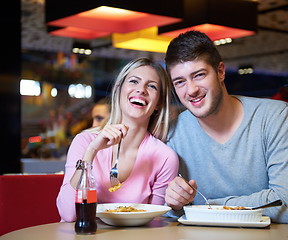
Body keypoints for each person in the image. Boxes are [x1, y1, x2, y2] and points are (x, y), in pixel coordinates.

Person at [164, 31, 288, 223]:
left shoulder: (274, 117)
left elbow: (285, 203)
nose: (191, 90)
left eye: (199, 75)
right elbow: (170, 213)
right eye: (180, 82)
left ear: (221, 71)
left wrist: (203, 208)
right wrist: (174, 204)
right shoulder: (173, 134)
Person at [57, 57, 179, 222]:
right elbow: (69, 214)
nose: (141, 90)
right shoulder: (85, 141)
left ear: (158, 103)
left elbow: (157, 222)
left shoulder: (165, 157)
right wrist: (91, 151)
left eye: (151, 86)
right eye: (134, 81)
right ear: (117, 90)